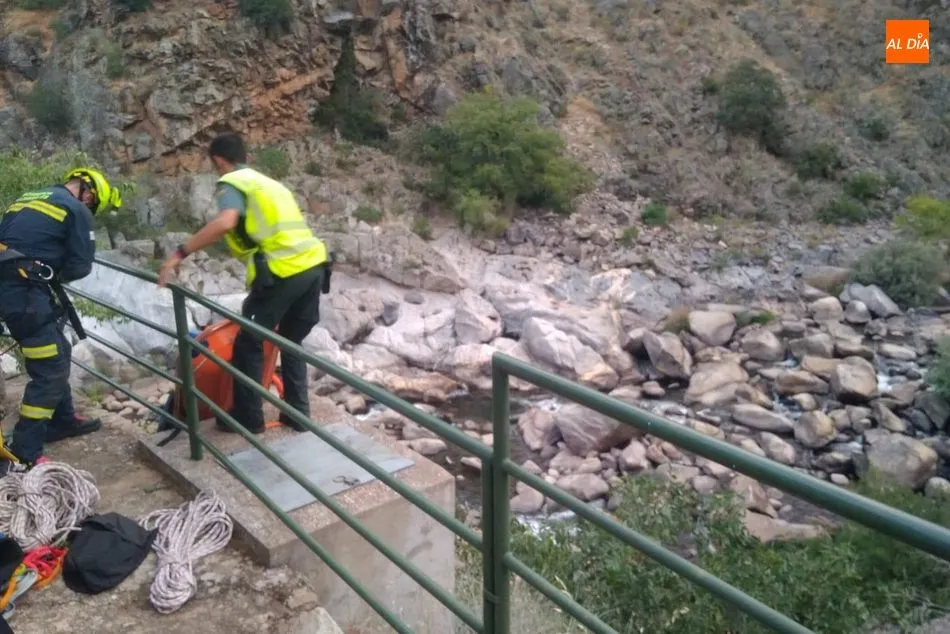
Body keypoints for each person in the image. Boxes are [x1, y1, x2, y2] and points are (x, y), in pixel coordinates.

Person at [158, 132, 330, 435]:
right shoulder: (270, 184)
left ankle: (247, 419)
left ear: (219, 161)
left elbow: (226, 222)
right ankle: (297, 414)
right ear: (246, 158)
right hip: (314, 266)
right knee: (291, 341)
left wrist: (179, 253)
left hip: (282, 271)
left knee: (248, 343)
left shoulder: (233, 182)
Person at [0, 168, 123, 470]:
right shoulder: (75, 208)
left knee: (60, 349)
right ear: (90, 194)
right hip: (24, 293)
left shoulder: (29, 198)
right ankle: (25, 451)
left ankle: (62, 420)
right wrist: (51, 272)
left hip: (14, 288)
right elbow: (81, 266)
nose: (90, 209)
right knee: (51, 368)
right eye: (93, 205)